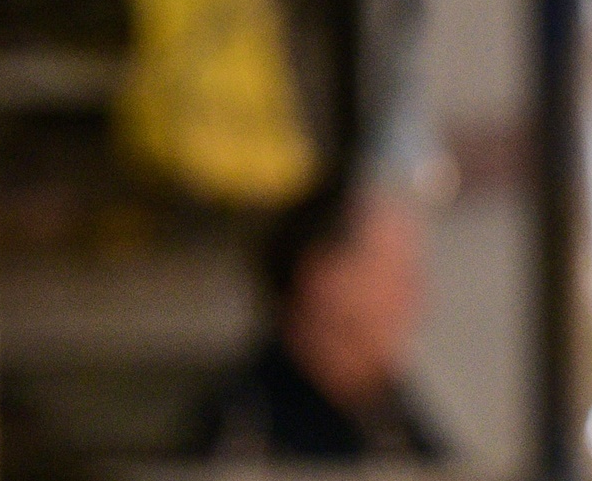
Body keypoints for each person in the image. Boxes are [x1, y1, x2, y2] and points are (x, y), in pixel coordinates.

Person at [186, 172, 441, 462]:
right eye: (395, 277)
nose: (415, 301)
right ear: (322, 279)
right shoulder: (244, 434)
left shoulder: (395, 424)